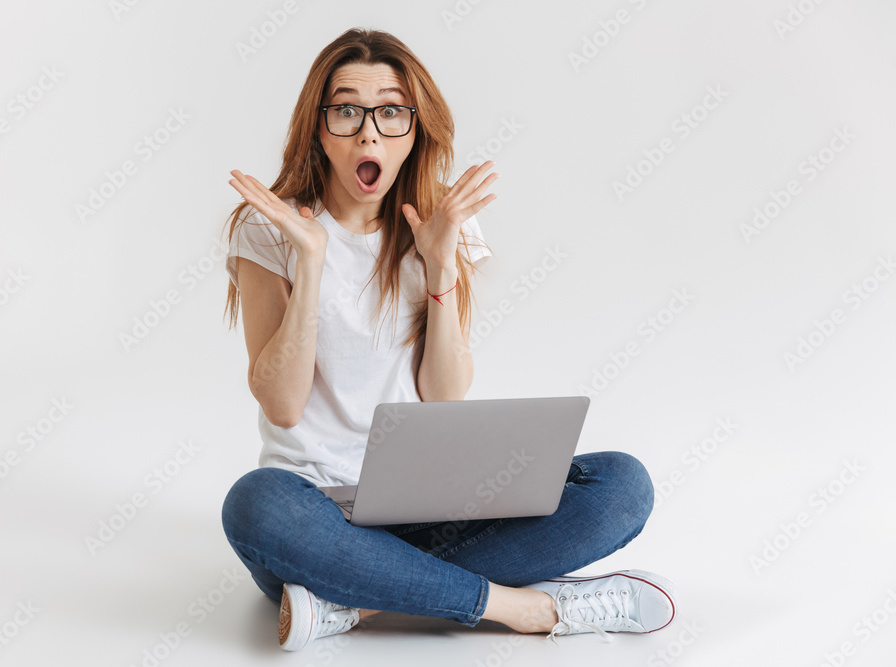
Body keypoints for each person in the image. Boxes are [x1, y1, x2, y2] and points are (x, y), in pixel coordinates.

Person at [220, 27, 678, 652]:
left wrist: (439, 266)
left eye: (390, 111)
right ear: (319, 125)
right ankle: (525, 609)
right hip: (316, 520)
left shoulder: (445, 227)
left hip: (432, 513)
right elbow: (281, 405)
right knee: (254, 507)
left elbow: (443, 397)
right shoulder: (270, 228)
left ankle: (356, 605)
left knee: (624, 485)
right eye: (347, 110)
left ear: (415, 129)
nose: (369, 132)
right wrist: (312, 262)